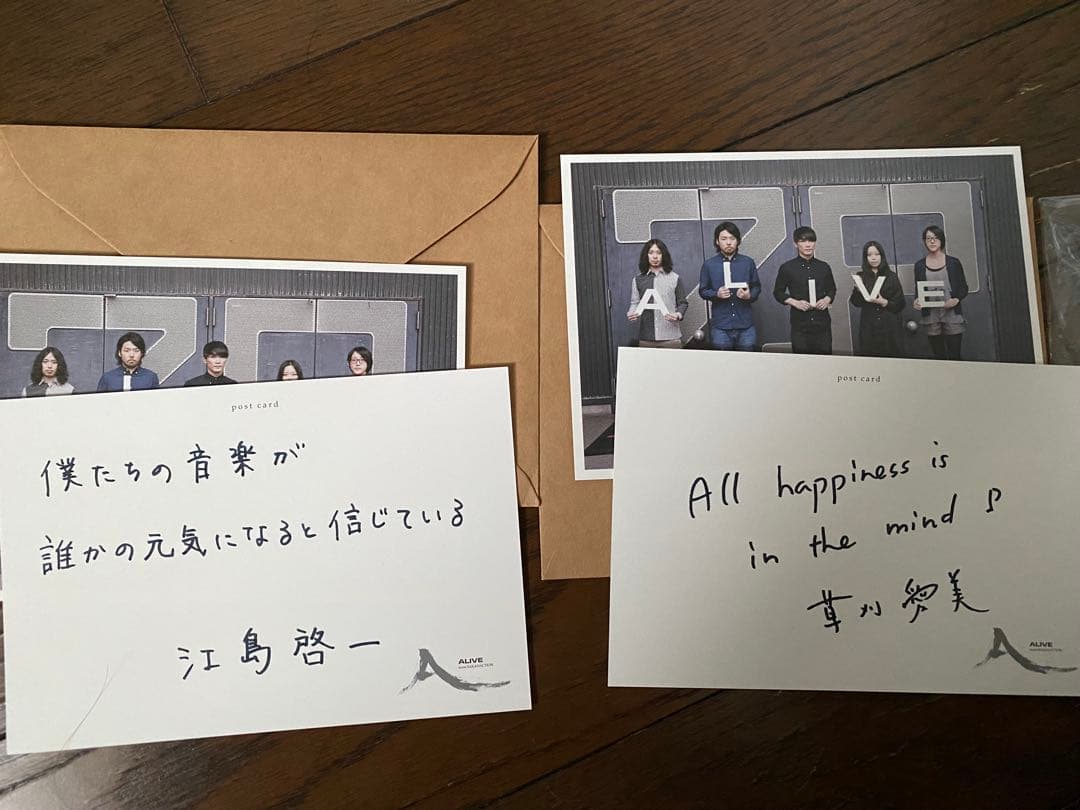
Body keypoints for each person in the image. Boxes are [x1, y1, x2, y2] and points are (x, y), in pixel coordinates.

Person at [773, 226, 837, 354]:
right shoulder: (787, 267)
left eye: (811, 241)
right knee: (802, 362)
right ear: (796, 244)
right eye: (803, 241)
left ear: (815, 243)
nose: (808, 245)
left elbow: (832, 289)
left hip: (822, 324)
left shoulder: (824, 267)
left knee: (825, 361)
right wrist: (795, 302)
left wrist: (827, 299)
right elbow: (778, 292)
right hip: (800, 325)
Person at [698, 222, 760, 350]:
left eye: (732, 238)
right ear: (717, 241)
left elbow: (757, 287)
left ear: (738, 241)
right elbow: (703, 291)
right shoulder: (709, 265)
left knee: (748, 360)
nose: (728, 242)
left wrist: (749, 295)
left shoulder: (748, 262)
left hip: (745, 325)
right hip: (720, 326)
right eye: (724, 239)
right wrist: (716, 294)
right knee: (723, 361)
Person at [913, 225, 968, 360]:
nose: (932, 241)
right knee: (938, 356)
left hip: (952, 314)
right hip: (931, 316)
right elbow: (918, 290)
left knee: (955, 355)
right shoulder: (919, 265)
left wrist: (956, 300)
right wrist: (917, 301)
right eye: (928, 238)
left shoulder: (953, 263)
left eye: (935, 238)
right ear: (924, 241)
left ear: (942, 240)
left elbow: (963, 287)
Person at [849, 240, 906, 357]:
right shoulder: (861, 276)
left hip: (889, 326)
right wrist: (858, 291)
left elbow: (901, 304)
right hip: (869, 326)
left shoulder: (891, 276)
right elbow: (855, 303)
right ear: (865, 258)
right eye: (869, 255)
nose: (873, 258)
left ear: (882, 256)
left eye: (877, 254)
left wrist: (884, 302)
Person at [627, 238, 687, 348]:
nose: (655, 256)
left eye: (658, 253)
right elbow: (634, 303)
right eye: (651, 253)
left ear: (664, 255)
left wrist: (678, 314)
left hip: (671, 337)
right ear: (646, 255)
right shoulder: (637, 280)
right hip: (646, 338)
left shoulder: (675, 278)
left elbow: (682, 303)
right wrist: (631, 312)